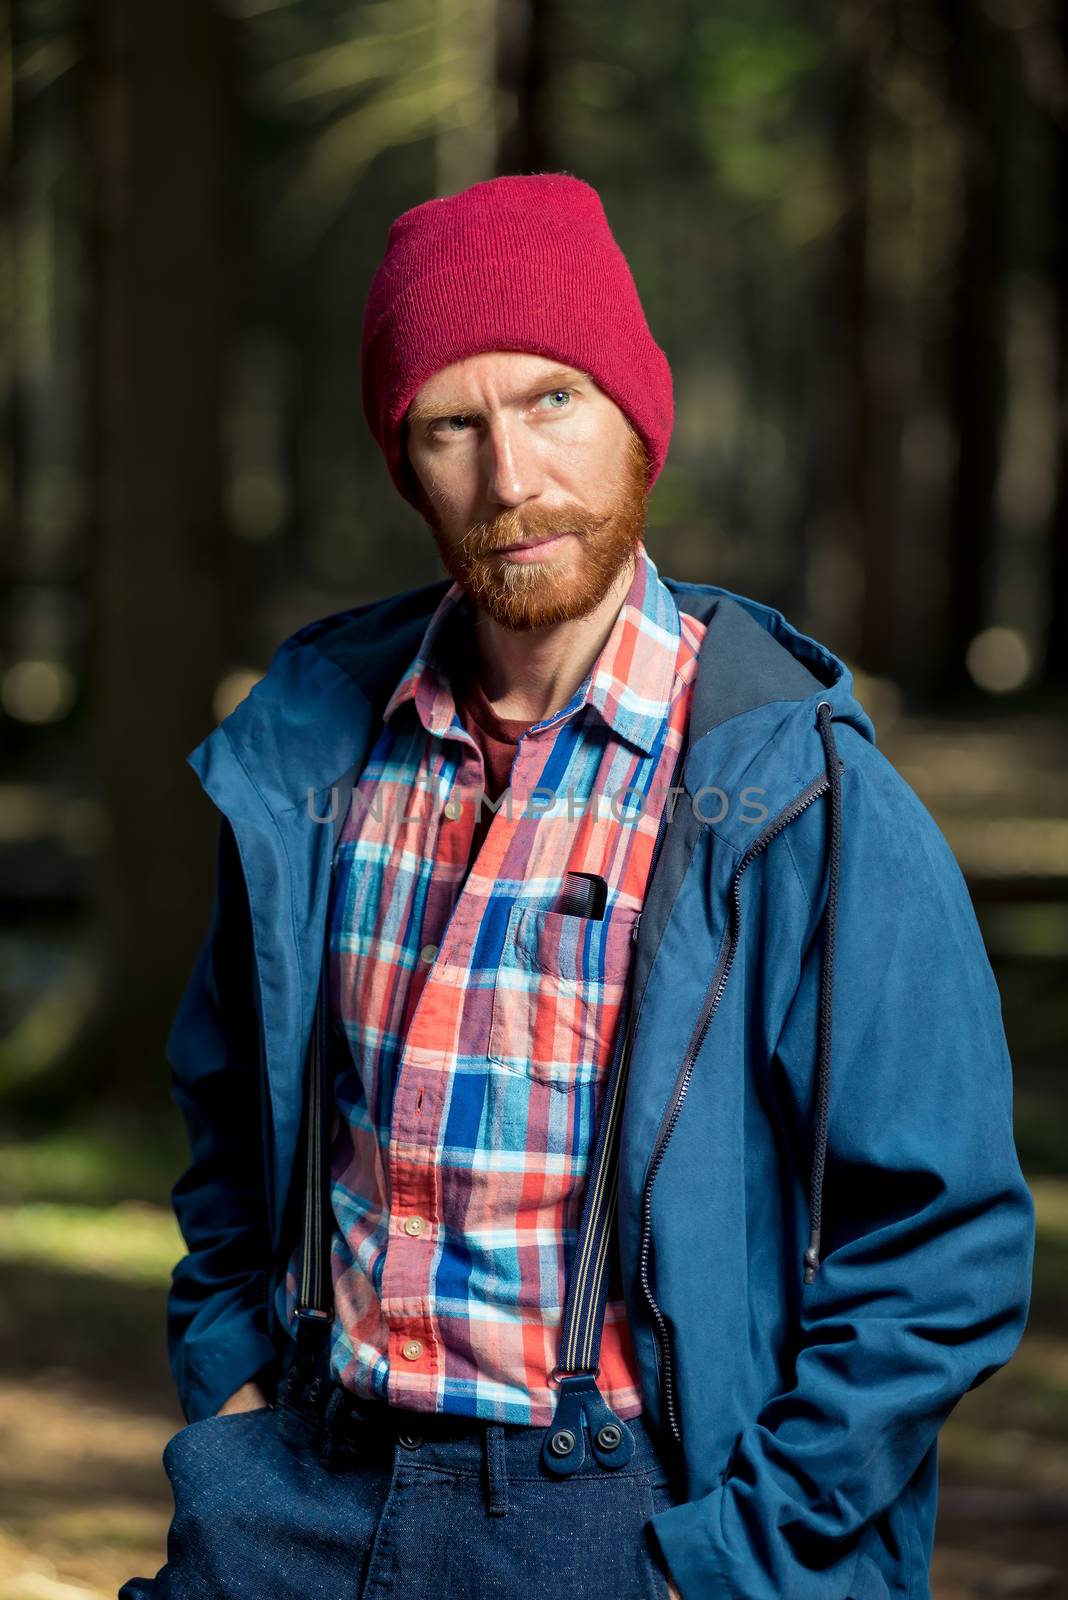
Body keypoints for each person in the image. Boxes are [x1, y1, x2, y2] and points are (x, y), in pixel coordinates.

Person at [119, 173, 1035, 1600]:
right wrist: (235, 1384)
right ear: (404, 459)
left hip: (618, 1520)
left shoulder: (802, 794)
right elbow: (230, 1117)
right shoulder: (311, 760)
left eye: (552, 400)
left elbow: (942, 1245)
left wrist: (729, 1564)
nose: (512, 479)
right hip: (300, 1494)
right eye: (451, 425)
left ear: (636, 421)